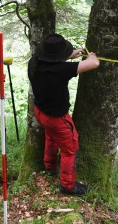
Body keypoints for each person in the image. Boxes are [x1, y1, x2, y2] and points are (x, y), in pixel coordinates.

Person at [28, 33, 100, 195]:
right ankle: (67, 185)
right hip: (57, 118)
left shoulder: (35, 62)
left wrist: (70, 54)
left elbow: (54, 62)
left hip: (41, 112)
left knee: (51, 137)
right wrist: (93, 55)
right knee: (70, 148)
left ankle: (49, 166)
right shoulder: (61, 70)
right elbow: (94, 63)